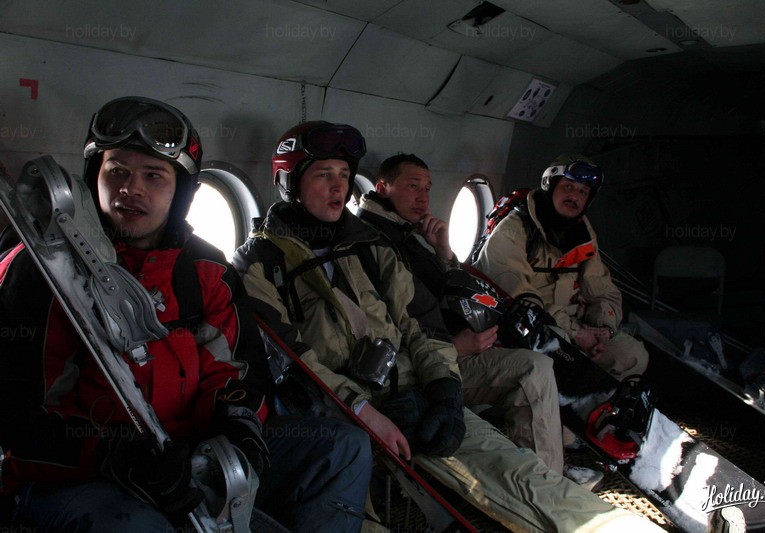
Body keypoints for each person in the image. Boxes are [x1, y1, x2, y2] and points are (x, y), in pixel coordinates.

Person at [235, 121, 665, 532]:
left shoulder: (368, 245)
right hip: (344, 416)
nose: (338, 187)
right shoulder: (259, 263)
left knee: (534, 486)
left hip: (416, 391)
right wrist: (363, 411)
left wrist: (443, 388)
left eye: (344, 175)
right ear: (289, 182)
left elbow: (420, 322)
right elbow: (292, 365)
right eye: (323, 175)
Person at [0, 98, 370, 532]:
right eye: (116, 171)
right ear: (93, 176)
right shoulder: (43, 271)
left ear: (181, 189)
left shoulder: (206, 269)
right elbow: (16, 412)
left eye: (153, 175)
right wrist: (113, 457)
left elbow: (236, 373)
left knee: (342, 448)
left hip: (189, 449)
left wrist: (239, 431)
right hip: (80, 474)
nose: (131, 188)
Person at [357, 153, 567, 476]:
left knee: (542, 351)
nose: (423, 198)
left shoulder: (407, 234)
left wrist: (443, 250)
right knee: (533, 370)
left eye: (428, 189)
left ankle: (543, 462)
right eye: (413, 187)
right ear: (383, 188)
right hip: (430, 366)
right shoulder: (372, 243)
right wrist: (457, 348)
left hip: (450, 348)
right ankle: (545, 482)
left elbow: (450, 290)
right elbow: (389, 330)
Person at [474, 153, 649, 380]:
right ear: (550, 185)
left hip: (574, 326)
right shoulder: (515, 229)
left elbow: (603, 290)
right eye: (569, 187)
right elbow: (518, 299)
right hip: (527, 327)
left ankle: (601, 401)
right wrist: (576, 332)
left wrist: (603, 329)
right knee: (560, 346)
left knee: (633, 355)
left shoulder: (583, 234)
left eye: (583, 192)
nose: (575, 196)